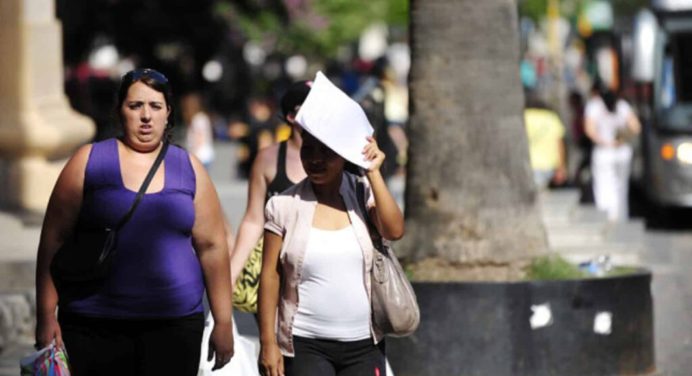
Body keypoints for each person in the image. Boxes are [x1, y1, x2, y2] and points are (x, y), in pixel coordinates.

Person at [34, 68, 234, 375]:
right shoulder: (88, 161)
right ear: (120, 112)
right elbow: (53, 240)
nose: (146, 116)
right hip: (93, 325)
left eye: (155, 106)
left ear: (168, 113)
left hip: (174, 327)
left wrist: (222, 321)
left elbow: (213, 247)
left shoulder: (189, 167)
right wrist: (46, 315)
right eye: (135, 106)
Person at [258, 73, 405, 376]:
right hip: (305, 344)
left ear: (342, 155)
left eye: (326, 151)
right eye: (309, 150)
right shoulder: (283, 206)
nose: (316, 159)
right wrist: (268, 342)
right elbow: (270, 277)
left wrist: (373, 172)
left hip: (365, 345)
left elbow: (394, 230)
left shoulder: (363, 194)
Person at [230, 81, 310, 313]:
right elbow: (254, 219)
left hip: (318, 274)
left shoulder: (338, 159)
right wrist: (233, 273)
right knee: (272, 345)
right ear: (291, 116)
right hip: (275, 273)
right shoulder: (268, 159)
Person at [584, 88, 641, 221]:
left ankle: (606, 217)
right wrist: (622, 139)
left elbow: (589, 129)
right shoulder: (622, 106)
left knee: (603, 186)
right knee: (621, 186)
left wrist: (605, 142)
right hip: (622, 152)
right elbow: (636, 127)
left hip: (604, 152)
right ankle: (620, 216)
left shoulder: (594, 106)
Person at [524, 93, 568, 189]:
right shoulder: (551, 117)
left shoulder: (525, 116)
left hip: (529, 163)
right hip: (549, 165)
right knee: (542, 195)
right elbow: (559, 143)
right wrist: (561, 166)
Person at [182, 92, 215, 170]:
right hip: (204, 156)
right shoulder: (202, 117)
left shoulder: (197, 119)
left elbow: (199, 137)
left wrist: (192, 154)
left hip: (200, 156)